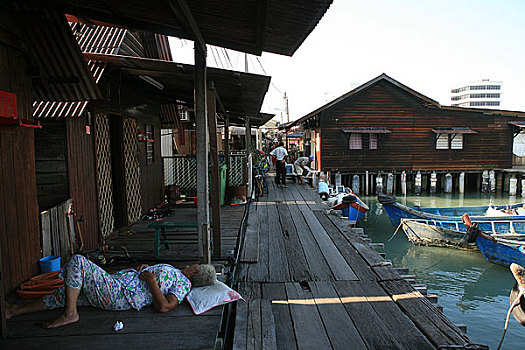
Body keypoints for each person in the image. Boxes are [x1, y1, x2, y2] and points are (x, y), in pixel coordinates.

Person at [6, 254, 216, 328]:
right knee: (65, 294)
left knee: (78, 262)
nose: (192, 265)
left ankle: (70, 314)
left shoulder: (184, 284)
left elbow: (164, 306)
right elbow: (155, 278)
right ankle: (13, 311)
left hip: (119, 294)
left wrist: (152, 281)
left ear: (196, 272)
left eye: (195, 266)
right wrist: (146, 270)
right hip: (119, 283)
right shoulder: (176, 272)